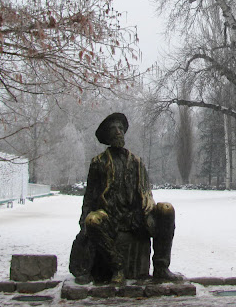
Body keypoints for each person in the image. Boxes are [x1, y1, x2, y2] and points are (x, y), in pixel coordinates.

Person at [69, 113, 182, 284]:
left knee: (166, 209)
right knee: (92, 220)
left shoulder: (136, 162)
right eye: (113, 129)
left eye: (121, 128)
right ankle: (117, 267)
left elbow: (146, 195)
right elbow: (90, 198)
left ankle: (161, 267)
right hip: (110, 218)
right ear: (107, 136)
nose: (118, 132)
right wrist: (84, 226)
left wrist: (142, 214)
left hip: (136, 217)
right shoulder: (98, 162)